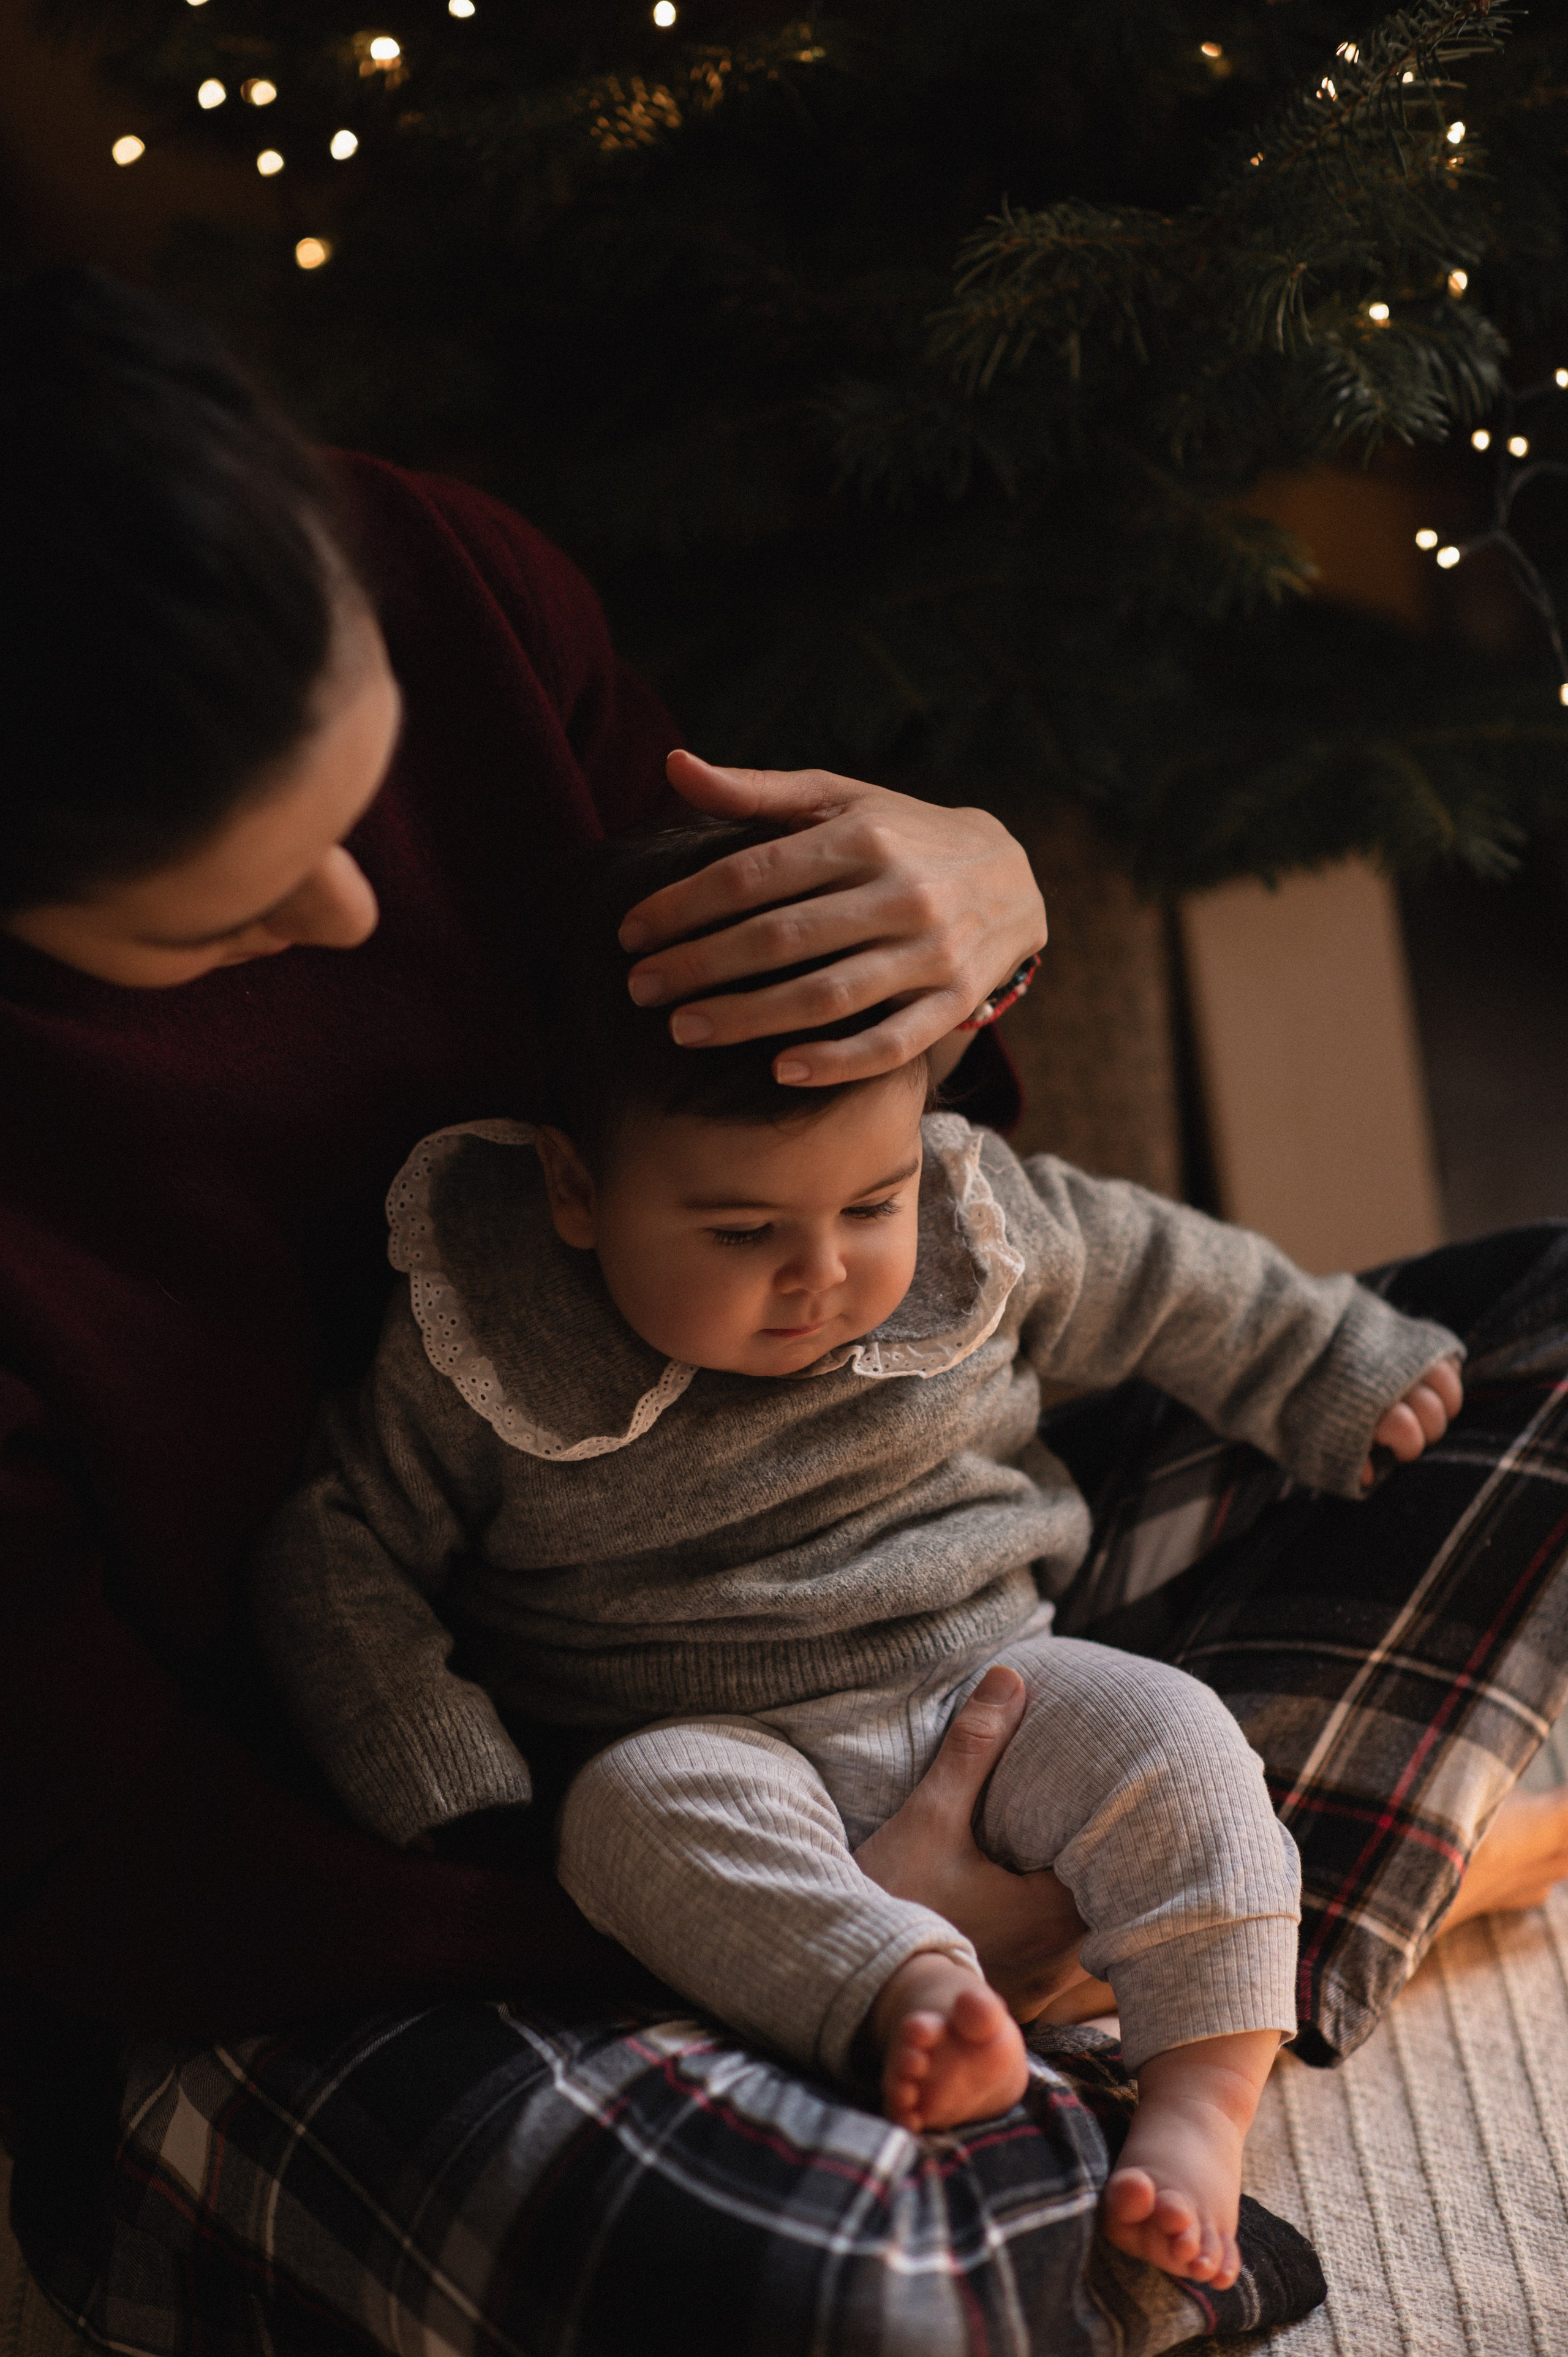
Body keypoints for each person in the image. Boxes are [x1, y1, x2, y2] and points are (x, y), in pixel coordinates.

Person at [0, 262, 1563, 2355]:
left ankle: (1145, 2018)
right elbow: (122, 1842)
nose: (358, 916)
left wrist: (963, 913)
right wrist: (776, 1926)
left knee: (1533, 1355)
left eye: (361, 803)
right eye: (234, 907)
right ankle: (1084, 2020)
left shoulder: (448, 577)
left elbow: (911, 1158)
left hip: (962, 1607)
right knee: (824, 2291)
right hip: (407, 1888)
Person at [250, 817, 1466, 2291]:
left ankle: (1198, 2103)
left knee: (1177, 1734)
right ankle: (909, 1996)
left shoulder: (974, 1221)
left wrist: (1327, 1358)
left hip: (994, 1682)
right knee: (620, 1818)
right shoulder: (487, 1333)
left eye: (867, 1205)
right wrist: (443, 1783)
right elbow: (342, 1549)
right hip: (708, 1743)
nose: (819, 1270)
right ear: (576, 1192)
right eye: (742, 1226)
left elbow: (1160, 1275)